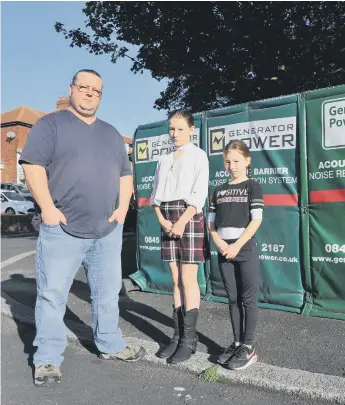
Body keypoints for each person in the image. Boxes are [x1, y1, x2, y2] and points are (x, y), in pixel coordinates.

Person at [20, 69, 145, 386]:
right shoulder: (50, 125)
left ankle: (110, 344)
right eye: (84, 87)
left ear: (101, 96)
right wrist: (47, 208)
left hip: (106, 232)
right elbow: (32, 166)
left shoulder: (112, 134)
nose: (90, 93)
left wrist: (120, 211)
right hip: (62, 230)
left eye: (97, 90)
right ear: (71, 89)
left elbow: (125, 175)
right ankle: (47, 359)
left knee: (106, 296)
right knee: (51, 295)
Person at [150, 109, 209, 364]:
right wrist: (162, 220)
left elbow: (199, 194)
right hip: (167, 217)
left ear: (191, 130)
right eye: (171, 129)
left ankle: (189, 339)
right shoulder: (163, 160)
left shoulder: (199, 156)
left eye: (180, 129)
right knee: (175, 280)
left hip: (190, 217)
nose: (174, 134)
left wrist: (182, 222)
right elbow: (155, 196)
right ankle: (177, 336)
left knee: (188, 279)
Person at [208, 140, 264, 370]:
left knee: (248, 299)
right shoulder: (218, 190)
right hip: (224, 250)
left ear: (247, 161)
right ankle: (237, 342)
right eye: (228, 161)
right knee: (233, 299)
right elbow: (211, 225)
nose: (232, 166)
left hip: (245, 249)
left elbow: (256, 220)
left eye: (237, 161)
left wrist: (236, 246)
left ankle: (248, 348)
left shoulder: (253, 186)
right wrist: (221, 243)